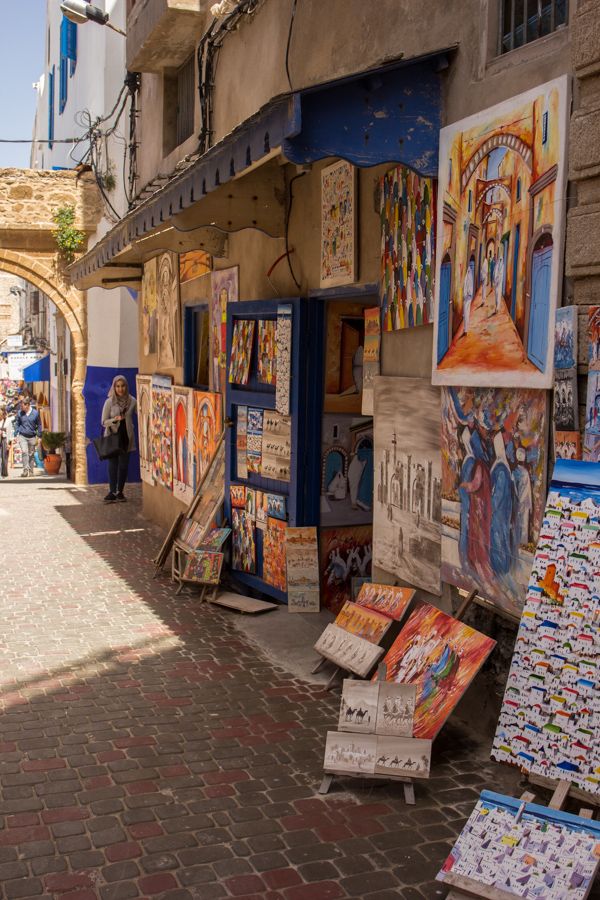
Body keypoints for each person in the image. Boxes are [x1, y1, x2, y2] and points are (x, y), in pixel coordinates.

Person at [101, 375, 137, 503]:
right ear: (114, 387)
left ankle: (120, 491)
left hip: (126, 437)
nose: (120, 389)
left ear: (126, 386)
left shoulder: (132, 401)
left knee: (123, 465)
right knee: (113, 465)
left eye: (122, 386)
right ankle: (112, 491)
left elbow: (141, 412)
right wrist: (114, 420)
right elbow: (103, 422)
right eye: (117, 386)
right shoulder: (109, 402)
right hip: (112, 437)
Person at [15, 397, 42, 477]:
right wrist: (16, 434)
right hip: (22, 436)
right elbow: (17, 423)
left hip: (32, 436)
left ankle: (31, 471)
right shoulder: (20, 413)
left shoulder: (35, 413)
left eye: (22, 406)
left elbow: (39, 424)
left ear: (27, 405)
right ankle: (25, 470)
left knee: (31, 454)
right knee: (24, 452)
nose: (21, 407)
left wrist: (39, 435)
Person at [0, 405, 14, 478]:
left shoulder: (8, 421)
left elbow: (10, 433)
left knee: (4, 457)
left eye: (1, 414)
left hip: (4, 440)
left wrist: (9, 443)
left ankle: (4, 473)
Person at [461, 264, 474, 338]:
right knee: (466, 313)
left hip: (467, 297)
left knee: (466, 314)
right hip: (467, 297)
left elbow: (469, 286)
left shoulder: (469, 275)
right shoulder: (468, 274)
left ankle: (466, 330)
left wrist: (468, 294)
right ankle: (465, 329)